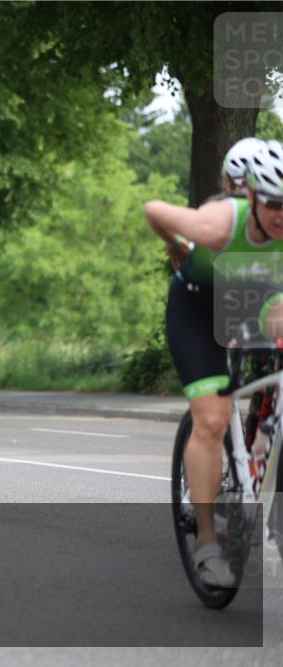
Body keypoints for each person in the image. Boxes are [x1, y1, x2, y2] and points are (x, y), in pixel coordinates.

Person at [144, 138, 283, 587]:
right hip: (198, 307)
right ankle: (207, 542)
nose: (282, 214)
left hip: (259, 301)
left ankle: (263, 455)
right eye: (273, 204)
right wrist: (175, 246)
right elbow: (153, 209)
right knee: (211, 417)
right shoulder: (220, 221)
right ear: (250, 197)